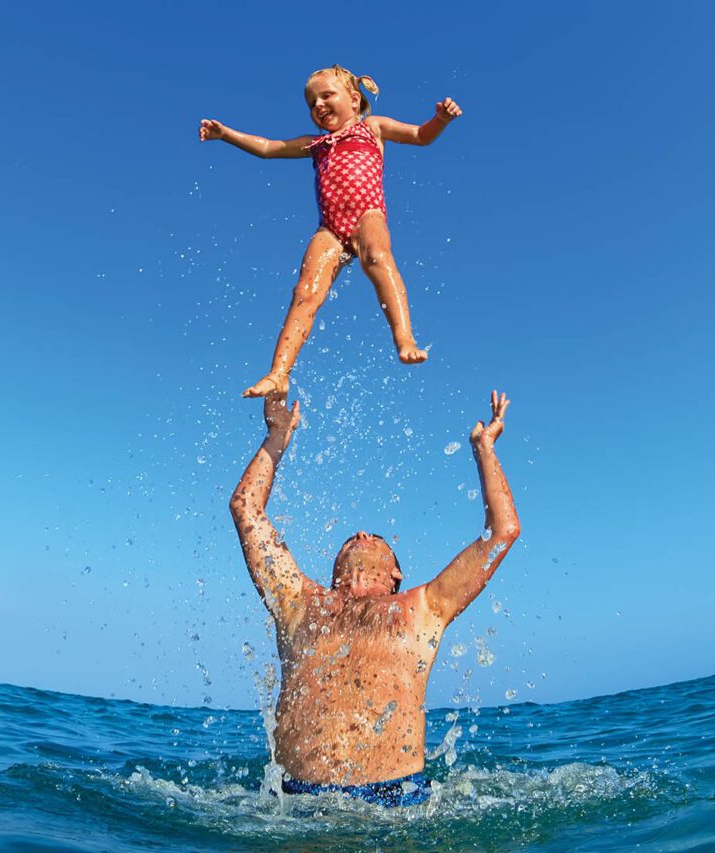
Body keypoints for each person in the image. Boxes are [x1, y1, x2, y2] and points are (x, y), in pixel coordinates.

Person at [229, 391, 519, 808]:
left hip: (392, 803)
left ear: (396, 574)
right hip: (290, 805)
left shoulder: (424, 608)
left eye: (375, 538)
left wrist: (484, 449)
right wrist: (277, 437)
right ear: (334, 571)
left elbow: (502, 531)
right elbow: (246, 509)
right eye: (353, 537)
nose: (363, 535)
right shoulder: (299, 603)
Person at [199, 65, 463, 398]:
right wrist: (227, 134)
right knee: (305, 291)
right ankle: (279, 372)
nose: (318, 105)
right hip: (331, 229)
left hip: (368, 213)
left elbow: (421, 137)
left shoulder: (373, 128)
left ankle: (405, 338)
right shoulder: (316, 144)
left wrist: (440, 119)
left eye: (326, 96)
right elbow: (268, 147)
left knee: (377, 258)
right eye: (311, 102)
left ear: (354, 100)